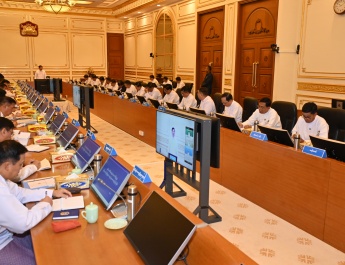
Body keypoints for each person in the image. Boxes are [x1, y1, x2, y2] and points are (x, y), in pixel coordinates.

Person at [0, 140, 72, 265]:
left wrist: (50, 193)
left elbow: (19, 193)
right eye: (20, 164)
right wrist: (45, 204)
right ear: (7, 166)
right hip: (3, 243)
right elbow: (23, 223)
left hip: (6, 233)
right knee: (39, 259)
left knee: (46, 244)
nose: (21, 169)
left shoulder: (3, 179)